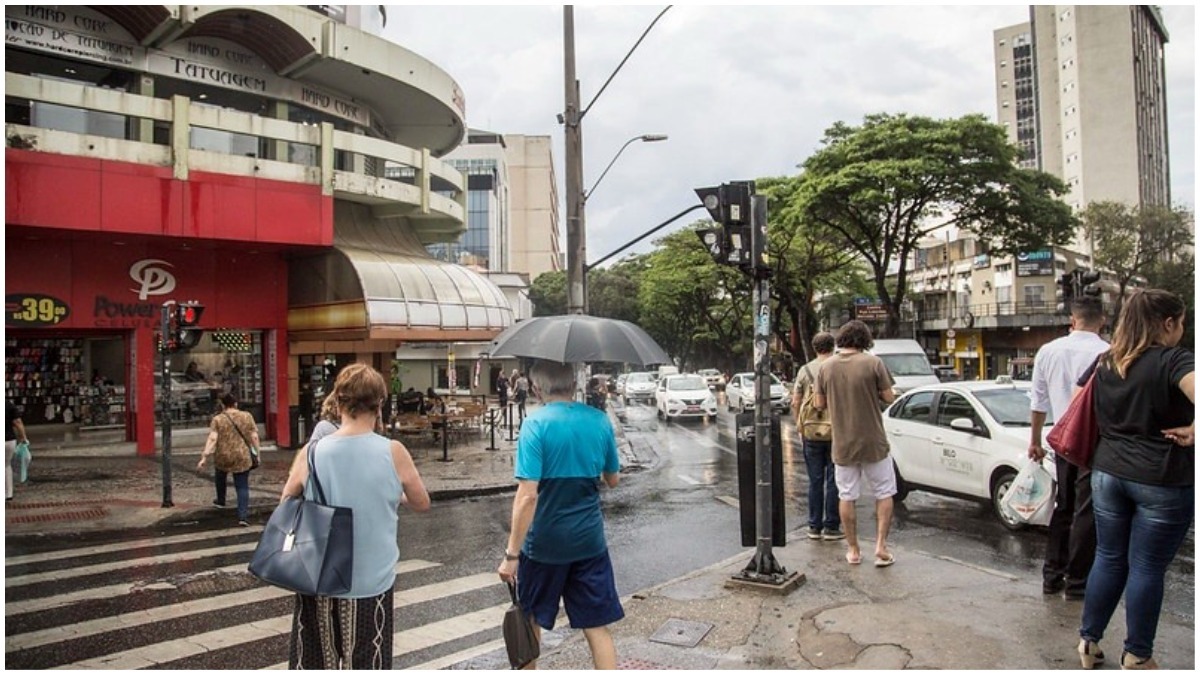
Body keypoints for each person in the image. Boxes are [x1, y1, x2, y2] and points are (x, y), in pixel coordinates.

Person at [282, 363, 430, 669]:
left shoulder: (313, 450)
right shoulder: (393, 451)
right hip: (370, 580)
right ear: (379, 405)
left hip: (318, 573)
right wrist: (390, 493)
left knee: (315, 662)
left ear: (338, 403)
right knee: (368, 662)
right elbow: (420, 502)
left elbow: (287, 499)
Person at [1075, 290, 1194, 670]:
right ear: (1168, 323)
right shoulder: (1174, 360)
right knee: (1146, 567)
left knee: (1109, 557)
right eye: (1183, 322)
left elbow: (1079, 400)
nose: (1183, 330)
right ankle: (1138, 654)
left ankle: (1088, 642)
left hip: (1107, 473)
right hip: (1160, 477)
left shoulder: (1106, 361)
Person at [497, 360, 623, 669]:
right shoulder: (599, 420)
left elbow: (527, 496)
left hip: (544, 546)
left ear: (537, 389)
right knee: (596, 627)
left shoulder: (535, 425)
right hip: (589, 542)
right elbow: (613, 478)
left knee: (530, 623)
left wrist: (511, 555)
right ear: (574, 384)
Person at [1028, 296, 1109, 598]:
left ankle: (1051, 575)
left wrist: (1034, 441)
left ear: (1072, 321)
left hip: (1063, 442)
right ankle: (1077, 582)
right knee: (1087, 512)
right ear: (1102, 321)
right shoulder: (1108, 352)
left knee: (1063, 506)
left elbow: (1038, 402)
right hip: (1097, 443)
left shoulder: (1048, 351)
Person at [813, 320, 897, 567]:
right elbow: (889, 396)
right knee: (884, 492)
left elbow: (819, 404)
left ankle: (853, 550)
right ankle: (881, 546)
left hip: (843, 443)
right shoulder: (874, 363)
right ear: (865, 340)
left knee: (847, 495)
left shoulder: (825, 368)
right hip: (874, 441)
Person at [791, 332, 842, 541]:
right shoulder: (838, 367)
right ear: (833, 347)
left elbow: (795, 401)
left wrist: (799, 425)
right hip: (836, 430)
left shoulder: (805, 370)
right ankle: (831, 526)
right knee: (834, 479)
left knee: (815, 480)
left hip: (811, 432)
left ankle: (814, 526)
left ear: (814, 348)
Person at [196, 394, 258, 525]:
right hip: (242, 454)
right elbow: (254, 437)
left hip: (223, 454)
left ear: (223, 405)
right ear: (235, 403)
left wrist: (204, 456)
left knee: (220, 475)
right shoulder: (247, 416)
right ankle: (243, 516)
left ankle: (221, 500)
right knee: (242, 485)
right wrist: (257, 453)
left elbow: (213, 438)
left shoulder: (218, 419)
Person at [6, 397, 28, 501]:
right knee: (6, 465)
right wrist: (23, 437)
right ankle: (8, 493)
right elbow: (18, 422)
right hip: (9, 440)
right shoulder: (8, 404)